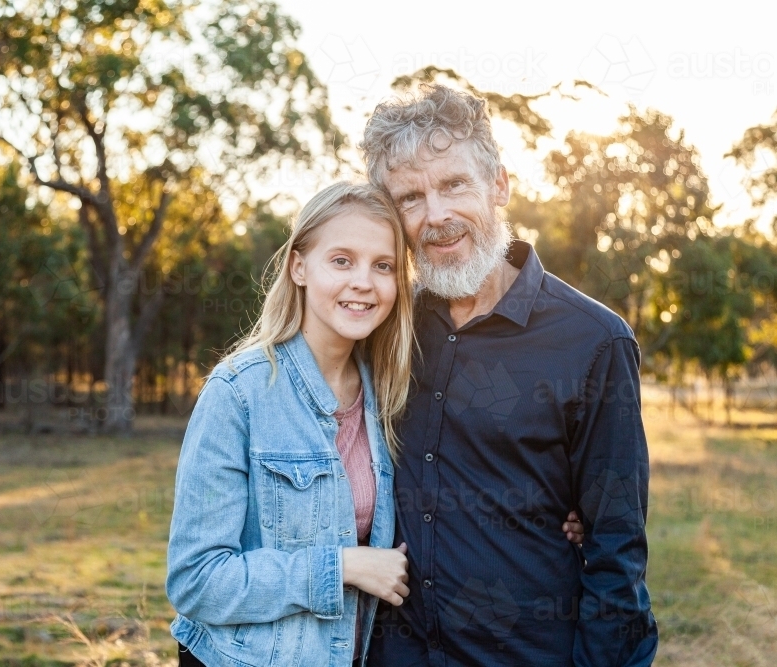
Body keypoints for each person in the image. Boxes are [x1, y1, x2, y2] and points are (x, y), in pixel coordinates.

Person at [165, 182, 586, 666]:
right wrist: (343, 567)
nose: (363, 281)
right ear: (299, 266)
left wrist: (555, 512)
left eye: (383, 266)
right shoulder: (239, 394)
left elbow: (454, 479)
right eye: (341, 260)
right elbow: (196, 581)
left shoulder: (393, 390)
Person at [361, 84, 658, 666]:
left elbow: (616, 549)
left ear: (499, 185)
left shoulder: (593, 341)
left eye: (453, 185)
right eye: (410, 198)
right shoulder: (381, 326)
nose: (436, 216)